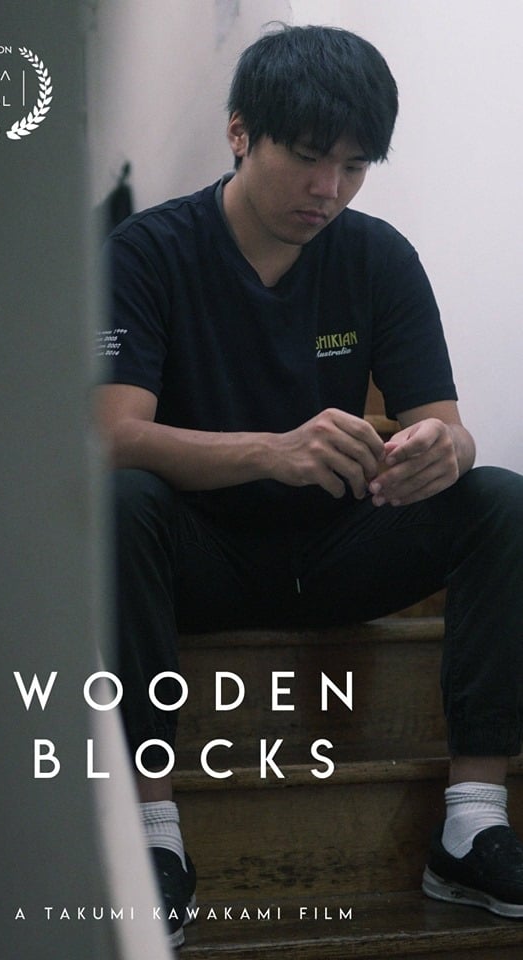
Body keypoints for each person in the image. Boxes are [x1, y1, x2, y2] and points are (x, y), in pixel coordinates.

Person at [95, 24, 523, 947]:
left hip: (335, 553)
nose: (328, 189)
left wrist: (441, 450)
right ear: (239, 133)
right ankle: (150, 832)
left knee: (500, 497)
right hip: (199, 560)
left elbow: (444, 424)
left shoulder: (377, 258)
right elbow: (109, 436)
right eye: (305, 156)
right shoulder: (147, 251)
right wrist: (269, 452)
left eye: (354, 166)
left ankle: (471, 822)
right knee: (120, 504)